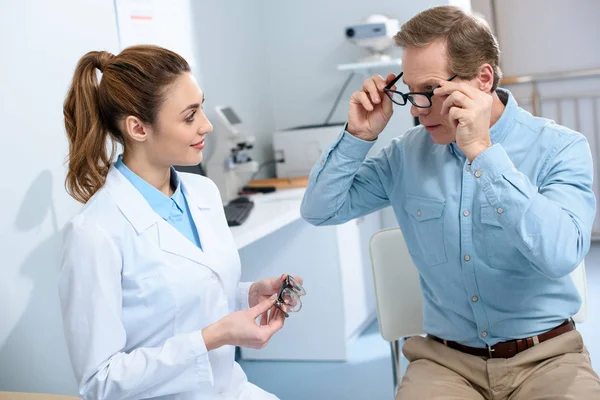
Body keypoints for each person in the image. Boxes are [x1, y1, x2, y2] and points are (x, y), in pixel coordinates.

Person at [301, 5, 600, 400]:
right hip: (446, 363)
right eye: (411, 92)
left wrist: (482, 152)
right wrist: (358, 135)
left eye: (431, 91)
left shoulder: (561, 148)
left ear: (484, 78)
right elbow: (320, 210)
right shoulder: (405, 155)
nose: (418, 110)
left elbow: (561, 254)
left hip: (547, 356)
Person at [59, 45, 297, 400]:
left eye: (201, 106)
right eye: (189, 116)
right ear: (138, 128)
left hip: (229, 388)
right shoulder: (94, 233)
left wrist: (246, 293)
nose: (207, 124)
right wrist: (214, 336)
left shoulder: (202, 192)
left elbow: (184, 296)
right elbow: (100, 381)